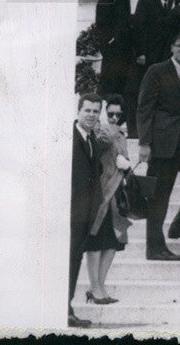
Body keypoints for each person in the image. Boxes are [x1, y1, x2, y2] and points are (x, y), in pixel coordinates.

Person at [136, 32, 180, 259]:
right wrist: (145, 143)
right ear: (172, 47)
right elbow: (144, 108)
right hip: (162, 143)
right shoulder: (156, 71)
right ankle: (155, 248)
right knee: (158, 196)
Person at [84, 97, 132, 306]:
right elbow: (102, 143)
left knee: (113, 244)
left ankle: (100, 286)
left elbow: (126, 160)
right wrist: (105, 124)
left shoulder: (121, 134)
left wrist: (126, 165)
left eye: (117, 115)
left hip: (116, 195)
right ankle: (94, 288)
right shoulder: (99, 130)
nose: (114, 118)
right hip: (100, 194)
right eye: (110, 113)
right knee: (95, 243)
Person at [69, 94, 103, 327]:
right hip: (69, 214)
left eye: (95, 111)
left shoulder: (92, 140)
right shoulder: (69, 138)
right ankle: (64, 309)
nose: (91, 115)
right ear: (78, 111)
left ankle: (66, 307)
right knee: (68, 261)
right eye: (87, 110)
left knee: (75, 260)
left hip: (85, 215)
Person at [94, 0, 138, 134]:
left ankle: (116, 127)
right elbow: (101, 22)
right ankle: (103, 127)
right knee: (109, 89)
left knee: (119, 89)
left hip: (123, 53)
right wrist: (109, 44)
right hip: (113, 53)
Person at [132, 0, 180, 73]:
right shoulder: (145, 1)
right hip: (150, 51)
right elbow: (138, 28)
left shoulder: (175, 2)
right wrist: (140, 53)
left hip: (168, 53)